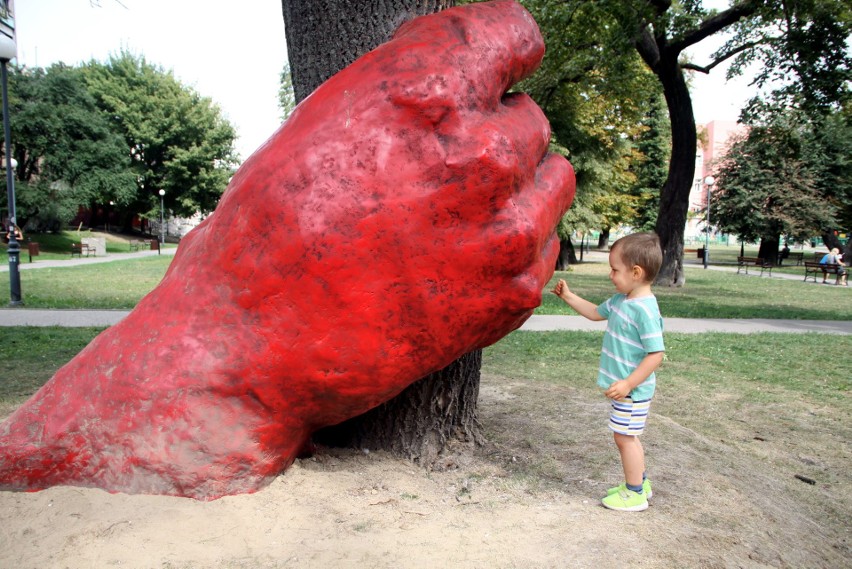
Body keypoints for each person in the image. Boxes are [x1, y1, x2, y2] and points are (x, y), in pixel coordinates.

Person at [552, 232, 665, 512]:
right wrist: (568, 295)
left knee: (624, 437)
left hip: (634, 392)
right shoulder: (619, 301)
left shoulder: (645, 310)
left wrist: (628, 383)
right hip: (626, 391)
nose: (610, 275)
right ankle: (640, 482)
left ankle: (634, 492)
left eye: (615, 269)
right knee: (627, 436)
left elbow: (656, 354)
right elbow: (593, 312)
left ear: (636, 272)